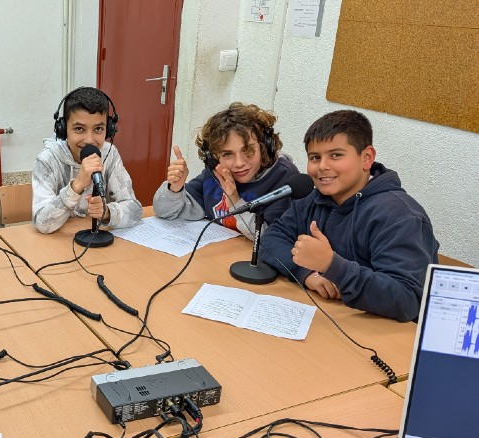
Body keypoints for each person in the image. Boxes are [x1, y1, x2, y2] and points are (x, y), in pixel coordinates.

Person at [260, 110, 439, 322]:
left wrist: (332, 266)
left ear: (367, 158)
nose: (323, 166)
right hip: (333, 317)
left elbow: (407, 301)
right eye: (315, 158)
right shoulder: (314, 197)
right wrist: (306, 274)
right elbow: (272, 238)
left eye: (336, 155)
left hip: (384, 331)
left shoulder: (400, 216)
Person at [152, 102, 300, 240]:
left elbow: (271, 237)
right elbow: (165, 211)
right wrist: (175, 189)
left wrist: (235, 200)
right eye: (227, 154)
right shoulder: (217, 173)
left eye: (248, 150)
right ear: (213, 157)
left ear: (265, 147)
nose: (239, 163)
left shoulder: (283, 176)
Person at [32, 86, 142, 233]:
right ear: (63, 129)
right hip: (59, 240)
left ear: (108, 129)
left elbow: (134, 210)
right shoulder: (47, 160)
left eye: (98, 129)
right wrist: (76, 186)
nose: (89, 140)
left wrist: (108, 212)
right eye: (79, 129)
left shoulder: (110, 154)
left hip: (97, 241)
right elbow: (42, 223)